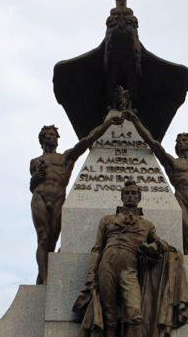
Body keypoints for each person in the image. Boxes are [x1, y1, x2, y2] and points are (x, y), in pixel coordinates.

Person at [65, 181, 188, 337]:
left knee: (135, 317)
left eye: (134, 193)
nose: (131, 196)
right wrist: (91, 275)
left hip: (129, 269)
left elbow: (161, 245)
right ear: (122, 196)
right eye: (127, 193)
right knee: (110, 320)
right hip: (107, 266)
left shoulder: (147, 225)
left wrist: (154, 246)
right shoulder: (107, 220)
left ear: (139, 197)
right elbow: (97, 248)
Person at [30, 115, 122, 284]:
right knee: (43, 237)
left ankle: (43, 274)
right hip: (40, 197)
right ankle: (44, 278)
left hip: (58, 199)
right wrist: (36, 177)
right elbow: (32, 186)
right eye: (47, 135)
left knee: (52, 241)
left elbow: (87, 140)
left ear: (57, 140)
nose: (51, 137)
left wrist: (107, 123)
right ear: (42, 139)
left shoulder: (66, 157)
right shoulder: (35, 161)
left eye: (53, 135)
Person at [125, 111, 188, 282]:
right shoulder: (173, 163)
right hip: (181, 201)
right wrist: (136, 121)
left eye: (185, 140)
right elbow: (154, 143)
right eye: (179, 141)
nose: (181, 142)